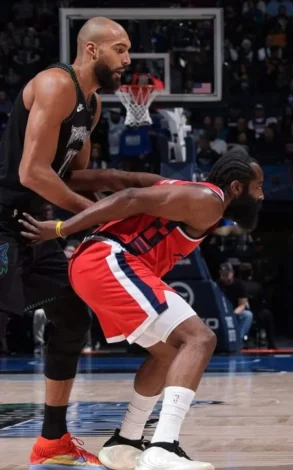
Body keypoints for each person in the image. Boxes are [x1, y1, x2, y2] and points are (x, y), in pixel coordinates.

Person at [20, 149, 264, 470]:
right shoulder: (209, 200)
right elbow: (130, 196)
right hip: (110, 260)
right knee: (200, 339)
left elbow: (119, 178)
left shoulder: (182, 189)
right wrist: (61, 228)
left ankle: (127, 441)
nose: (262, 195)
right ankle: (163, 447)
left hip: (95, 263)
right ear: (236, 187)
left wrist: (58, 178)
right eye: (258, 187)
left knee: (168, 355)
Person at [0, 16, 136, 467]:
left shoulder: (90, 106)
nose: (128, 60)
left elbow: (74, 176)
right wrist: (92, 214)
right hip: (3, 221)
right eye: (121, 49)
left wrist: (134, 188)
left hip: (32, 225)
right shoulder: (56, 84)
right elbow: (31, 172)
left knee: (73, 316)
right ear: (92, 50)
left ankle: (52, 441)